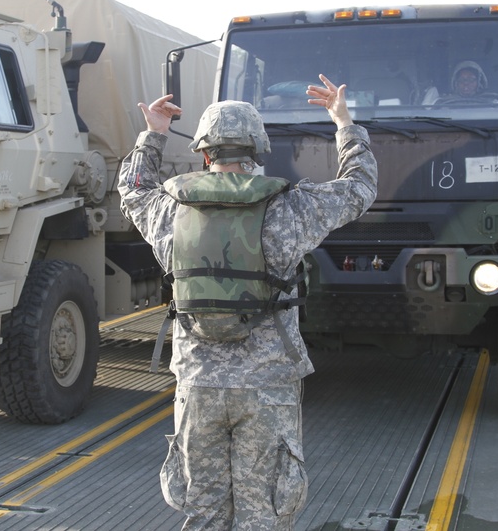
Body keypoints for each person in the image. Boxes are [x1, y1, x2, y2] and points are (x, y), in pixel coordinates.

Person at [118, 75, 377, 530]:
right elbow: (359, 189)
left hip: (198, 384)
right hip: (267, 386)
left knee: (204, 514)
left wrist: (154, 133)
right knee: (264, 517)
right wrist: (343, 123)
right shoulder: (288, 208)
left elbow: (133, 190)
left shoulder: (169, 209)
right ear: (257, 153)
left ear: (204, 153)